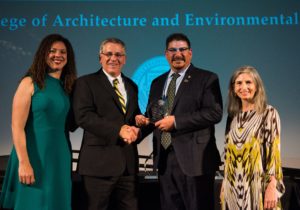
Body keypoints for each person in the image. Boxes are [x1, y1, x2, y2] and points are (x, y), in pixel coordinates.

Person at [135, 33, 223, 210]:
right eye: (172, 50)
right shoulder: (157, 82)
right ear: (166, 54)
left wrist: (176, 122)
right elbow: (154, 117)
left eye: (182, 49)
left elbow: (214, 113)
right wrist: (138, 127)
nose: (178, 54)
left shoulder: (206, 78)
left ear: (190, 53)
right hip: (165, 160)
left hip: (195, 161)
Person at [0, 34, 77, 210]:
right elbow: (16, 127)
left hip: (59, 156)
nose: (58, 55)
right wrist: (24, 162)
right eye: (52, 51)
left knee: (57, 202)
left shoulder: (67, 88)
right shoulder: (29, 82)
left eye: (63, 52)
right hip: (33, 155)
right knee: (33, 203)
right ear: (43, 54)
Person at [72, 38, 141, 210]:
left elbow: (132, 118)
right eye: (108, 54)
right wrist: (118, 130)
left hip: (128, 165)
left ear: (124, 59)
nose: (113, 58)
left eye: (118, 54)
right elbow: (83, 116)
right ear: (100, 58)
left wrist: (140, 124)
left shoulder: (132, 85)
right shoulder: (85, 83)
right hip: (98, 166)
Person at [220, 66, 285, 210]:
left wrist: (272, 186)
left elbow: (274, 155)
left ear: (257, 86)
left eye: (248, 82)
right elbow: (228, 155)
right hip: (232, 189)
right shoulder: (232, 117)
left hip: (257, 188)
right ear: (233, 88)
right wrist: (225, 184)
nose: (243, 87)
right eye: (238, 83)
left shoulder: (269, 113)